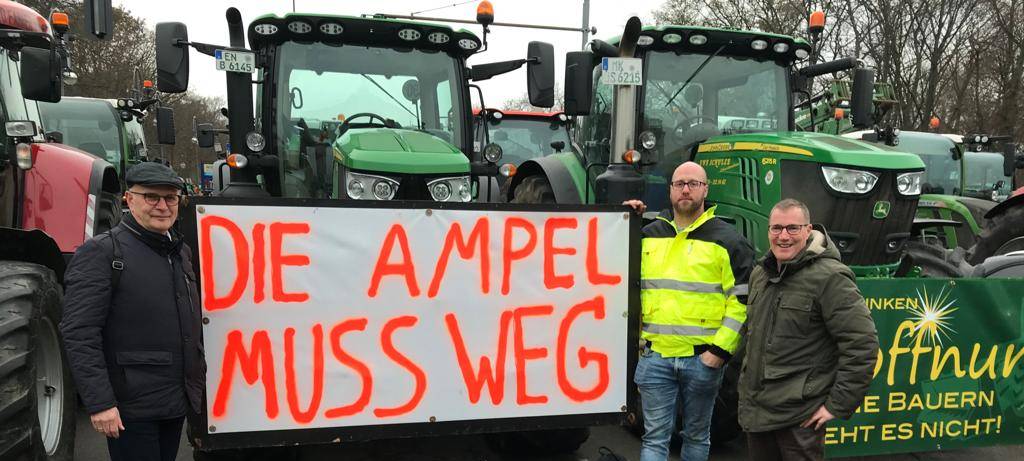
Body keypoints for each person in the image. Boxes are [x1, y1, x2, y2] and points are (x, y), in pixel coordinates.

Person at [61, 162, 205, 461]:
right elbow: (79, 332)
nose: (162, 206)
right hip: (131, 409)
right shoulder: (101, 253)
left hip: (174, 401)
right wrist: (100, 403)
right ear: (129, 198)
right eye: (151, 197)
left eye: (170, 198)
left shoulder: (180, 252)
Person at [624, 161, 755, 461]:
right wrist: (623, 219)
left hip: (702, 360)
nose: (685, 189)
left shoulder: (729, 241)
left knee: (696, 437)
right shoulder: (647, 235)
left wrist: (718, 352)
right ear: (670, 190)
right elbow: (610, 261)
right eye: (679, 183)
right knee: (654, 440)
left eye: (693, 183)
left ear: (705, 189)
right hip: (655, 357)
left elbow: (743, 301)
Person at [738, 199, 879, 461]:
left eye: (792, 228)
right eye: (776, 228)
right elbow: (751, 336)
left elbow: (862, 345)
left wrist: (836, 406)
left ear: (808, 230)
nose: (783, 236)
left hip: (800, 419)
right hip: (757, 414)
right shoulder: (761, 274)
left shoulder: (830, 277)